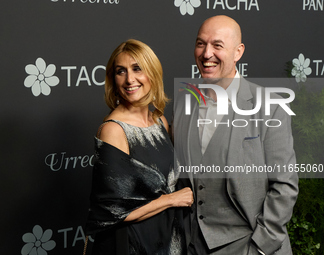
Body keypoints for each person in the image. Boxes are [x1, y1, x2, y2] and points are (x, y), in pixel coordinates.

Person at [173, 15, 299, 255]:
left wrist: (260, 247)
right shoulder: (183, 101)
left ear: (238, 52)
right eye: (201, 43)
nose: (206, 53)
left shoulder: (270, 105)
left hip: (251, 244)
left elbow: (284, 184)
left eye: (217, 45)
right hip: (194, 246)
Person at [85, 39, 193, 255]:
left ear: (152, 73)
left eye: (137, 69)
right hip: (131, 243)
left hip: (167, 237)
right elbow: (111, 211)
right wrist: (171, 199)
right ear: (113, 79)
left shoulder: (159, 120)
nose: (129, 79)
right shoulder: (114, 130)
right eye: (120, 71)